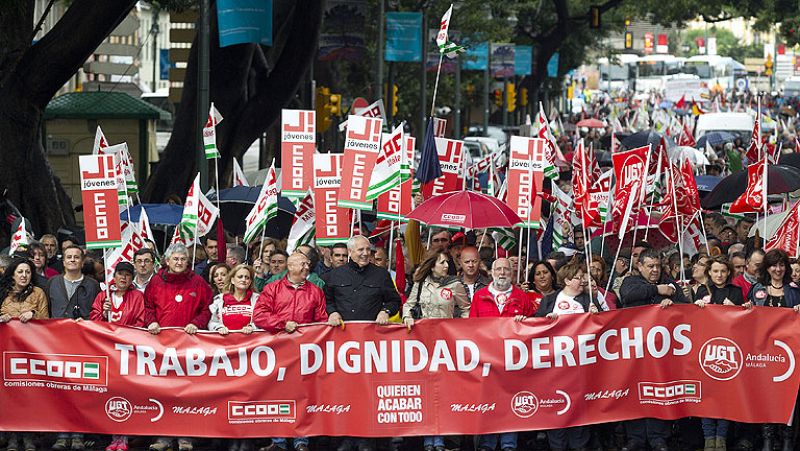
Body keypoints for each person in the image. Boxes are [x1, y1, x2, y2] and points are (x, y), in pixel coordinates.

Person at [324, 235, 400, 451]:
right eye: (361, 250)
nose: (366, 253)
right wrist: (332, 312)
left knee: (369, 391)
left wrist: (386, 311)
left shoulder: (381, 275)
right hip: (343, 345)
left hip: (372, 346)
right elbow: (327, 300)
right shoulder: (334, 275)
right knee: (345, 390)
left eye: (368, 250)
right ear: (350, 252)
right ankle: (348, 436)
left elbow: (394, 300)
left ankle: (368, 437)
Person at [253, 252, 328, 451]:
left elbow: (321, 320)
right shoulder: (272, 288)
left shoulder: (315, 291)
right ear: (291, 266)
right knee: (278, 395)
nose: (307, 268)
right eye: (303, 264)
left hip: (304, 352)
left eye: (308, 264)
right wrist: (282, 324)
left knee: (303, 396)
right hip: (278, 350)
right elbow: (259, 315)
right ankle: (279, 441)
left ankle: (301, 440)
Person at [144, 243, 213, 451]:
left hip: (189, 346)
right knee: (164, 392)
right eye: (175, 259)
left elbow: (207, 309)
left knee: (187, 392)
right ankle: (164, 437)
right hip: (161, 347)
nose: (179, 262)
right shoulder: (156, 282)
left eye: (183, 259)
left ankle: (186, 437)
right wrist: (152, 322)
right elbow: (148, 307)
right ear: (167, 261)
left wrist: (197, 323)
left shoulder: (198, 282)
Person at [619, 249, 687, 451]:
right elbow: (628, 296)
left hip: (662, 351)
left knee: (659, 392)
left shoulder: (670, 284)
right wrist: (658, 291)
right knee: (634, 393)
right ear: (639, 267)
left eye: (657, 265)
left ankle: (658, 437)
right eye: (650, 266)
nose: (655, 270)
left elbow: (686, 307)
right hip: (636, 350)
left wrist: (672, 304)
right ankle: (636, 438)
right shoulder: (630, 282)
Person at [470, 258, 535, 451]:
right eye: (498, 269)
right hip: (488, 360)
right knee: (489, 402)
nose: (502, 273)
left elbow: (533, 325)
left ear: (512, 273)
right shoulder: (479, 296)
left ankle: (508, 443)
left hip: (513, 361)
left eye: (506, 269)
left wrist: (524, 322)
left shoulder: (522, 296)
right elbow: (472, 327)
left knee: (510, 401)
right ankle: (488, 444)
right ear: (491, 272)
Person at [535, 262, 601, 451]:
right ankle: (558, 446)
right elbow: (534, 325)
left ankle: (579, 445)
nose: (582, 281)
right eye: (578, 278)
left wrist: (597, 316)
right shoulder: (550, 300)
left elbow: (604, 329)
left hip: (581, 366)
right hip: (554, 367)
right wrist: (543, 321)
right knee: (557, 406)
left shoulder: (588, 300)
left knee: (580, 407)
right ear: (566, 280)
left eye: (583, 278)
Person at [747, 249, 800, 451]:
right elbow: (749, 320)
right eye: (773, 265)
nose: (777, 269)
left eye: (781, 265)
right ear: (766, 268)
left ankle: (787, 440)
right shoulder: (757, 289)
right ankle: (767, 440)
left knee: (790, 398)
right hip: (765, 354)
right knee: (766, 397)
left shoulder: (795, 290)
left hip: (790, 355)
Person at [88, 261, 144, 451]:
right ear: (115, 275)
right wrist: (103, 313)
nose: (123, 278)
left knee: (127, 393)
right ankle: (114, 436)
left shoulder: (137, 296)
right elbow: (93, 321)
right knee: (111, 393)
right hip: (108, 352)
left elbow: (140, 321)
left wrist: (125, 334)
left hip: (128, 352)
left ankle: (125, 436)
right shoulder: (104, 296)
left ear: (131, 278)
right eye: (120, 274)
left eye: (128, 275)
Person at [0, 258, 48, 451]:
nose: (24, 276)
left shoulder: (38, 293)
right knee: (9, 395)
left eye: (27, 272)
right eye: (20, 272)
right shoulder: (2, 293)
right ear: (12, 273)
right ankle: (11, 436)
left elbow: (47, 321)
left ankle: (28, 437)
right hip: (6, 353)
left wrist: (33, 315)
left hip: (30, 353)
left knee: (28, 394)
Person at [46, 246, 101, 320]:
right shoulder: (52, 282)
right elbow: (47, 310)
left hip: (83, 330)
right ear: (63, 262)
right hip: (56, 330)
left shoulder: (93, 285)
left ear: (82, 262)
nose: (72, 260)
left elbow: (97, 312)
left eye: (76, 257)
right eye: (69, 257)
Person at [208, 264, 258, 335]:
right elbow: (212, 323)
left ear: (250, 282)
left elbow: (262, 321)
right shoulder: (220, 300)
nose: (243, 280)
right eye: (240, 277)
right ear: (232, 280)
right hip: (225, 343)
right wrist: (219, 328)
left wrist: (252, 327)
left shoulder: (257, 299)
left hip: (249, 343)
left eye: (247, 278)